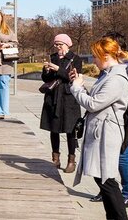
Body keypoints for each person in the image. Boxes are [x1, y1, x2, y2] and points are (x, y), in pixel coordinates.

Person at [69, 37, 128, 220]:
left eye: (95, 56)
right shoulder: (109, 75)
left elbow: (94, 104)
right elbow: (97, 100)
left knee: (106, 179)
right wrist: (81, 86)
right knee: (102, 178)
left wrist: (76, 89)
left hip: (106, 134)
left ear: (106, 56)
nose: (93, 61)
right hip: (100, 131)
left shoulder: (116, 78)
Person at [89, 32, 128, 208]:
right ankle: (107, 190)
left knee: (122, 155)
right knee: (106, 156)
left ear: (116, 47)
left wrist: (124, 110)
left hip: (124, 117)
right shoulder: (109, 68)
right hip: (108, 117)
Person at [40, 33, 83, 173]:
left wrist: (58, 69)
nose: (58, 47)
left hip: (69, 98)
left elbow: (72, 78)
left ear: (67, 45)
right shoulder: (52, 57)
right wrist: (46, 71)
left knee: (70, 129)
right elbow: (45, 79)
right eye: (56, 44)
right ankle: (55, 158)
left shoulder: (75, 59)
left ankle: (71, 160)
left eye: (60, 44)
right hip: (53, 97)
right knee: (54, 128)